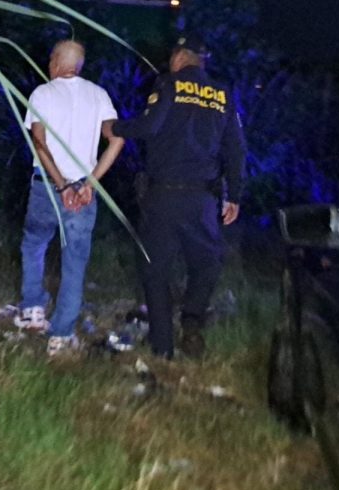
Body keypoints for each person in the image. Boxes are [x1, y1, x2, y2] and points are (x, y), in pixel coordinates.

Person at [111, 34, 246, 359]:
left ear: (180, 57)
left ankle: (162, 348)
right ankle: (192, 319)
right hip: (203, 200)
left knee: (155, 271)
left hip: (164, 197)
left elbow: (150, 125)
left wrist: (115, 129)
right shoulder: (223, 95)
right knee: (207, 264)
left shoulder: (168, 84)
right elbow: (236, 150)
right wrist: (235, 195)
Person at [18, 39, 124, 356]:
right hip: (82, 190)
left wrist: (60, 184)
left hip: (47, 187)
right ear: (79, 65)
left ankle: (33, 310)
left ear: (55, 62)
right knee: (75, 260)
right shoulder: (99, 95)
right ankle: (61, 335)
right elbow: (117, 139)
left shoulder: (42, 93)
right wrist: (91, 181)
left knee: (35, 243)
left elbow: (39, 142)